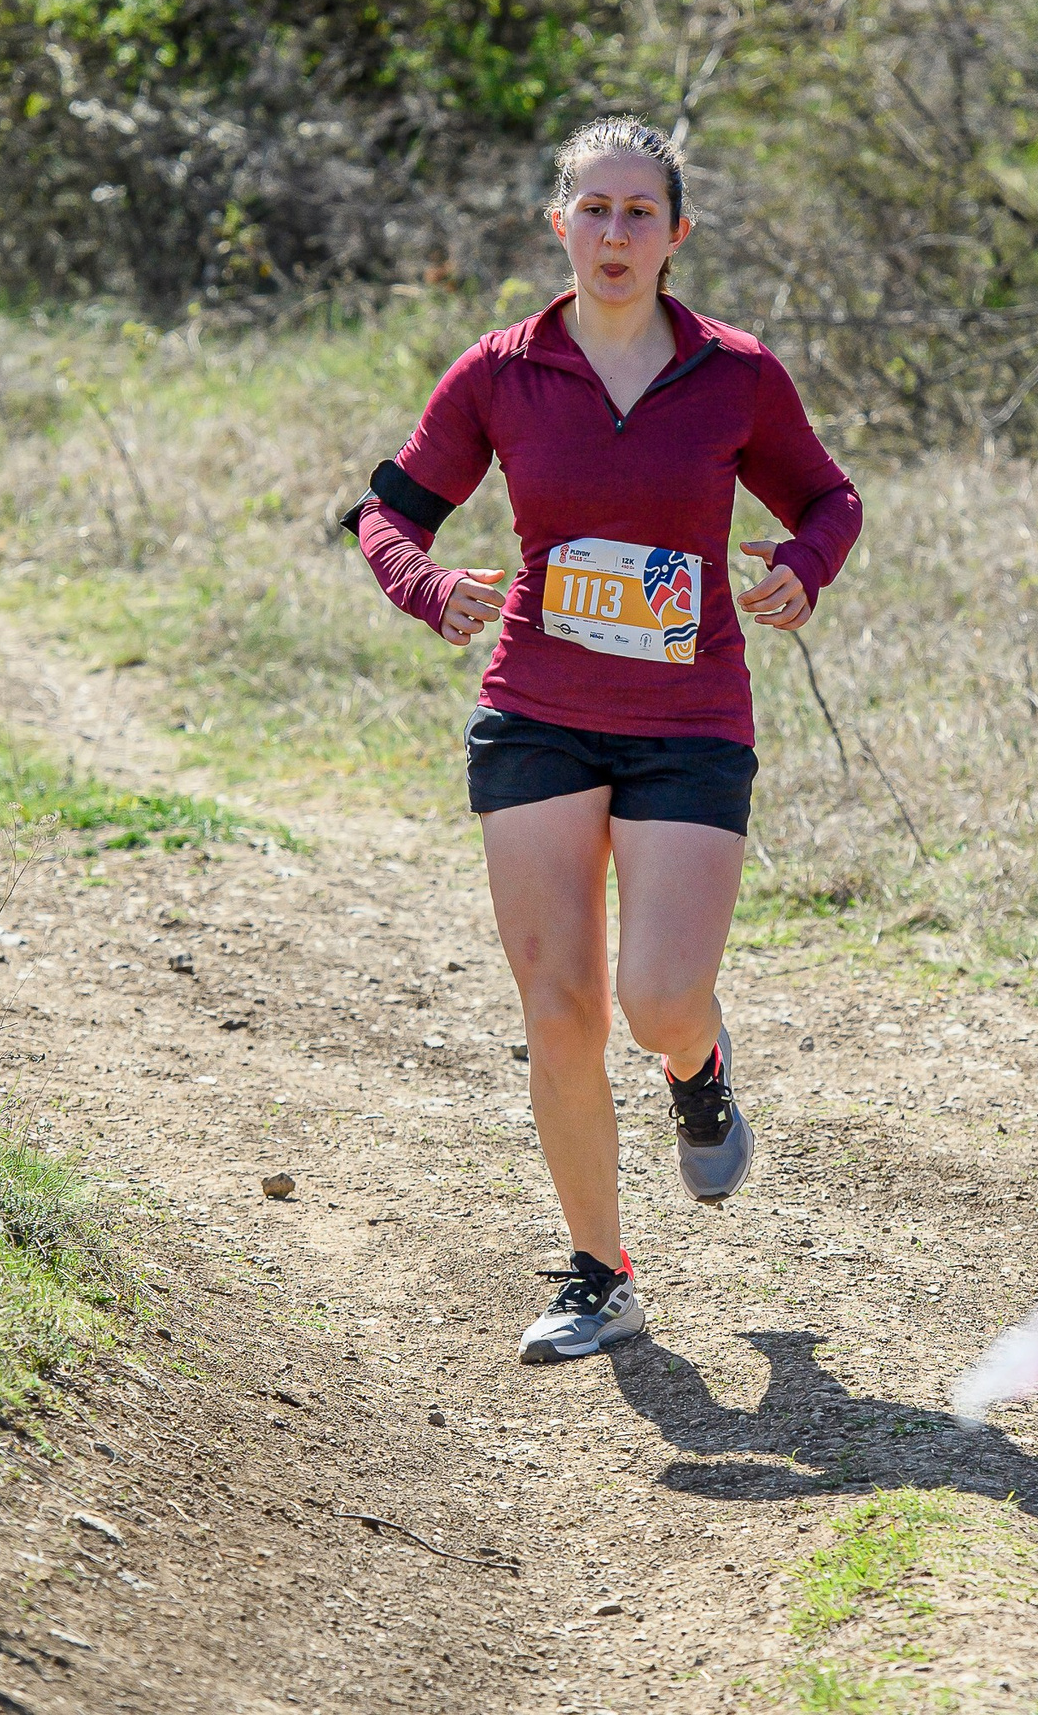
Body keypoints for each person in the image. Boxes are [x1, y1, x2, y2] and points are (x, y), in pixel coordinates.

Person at [341, 117, 863, 1363]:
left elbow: (826, 497)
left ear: (677, 234)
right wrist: (426, 585)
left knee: (656, 995)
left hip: (688, 721)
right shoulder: (498, 372)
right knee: (562, 1005)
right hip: (533, 711)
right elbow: (386, 513)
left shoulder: (735, 375)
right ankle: (598, 1273)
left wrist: (801, 565)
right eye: (595, 209)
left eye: (641, 212)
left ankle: (699, 1064)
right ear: (557, 222)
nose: (615, 232)